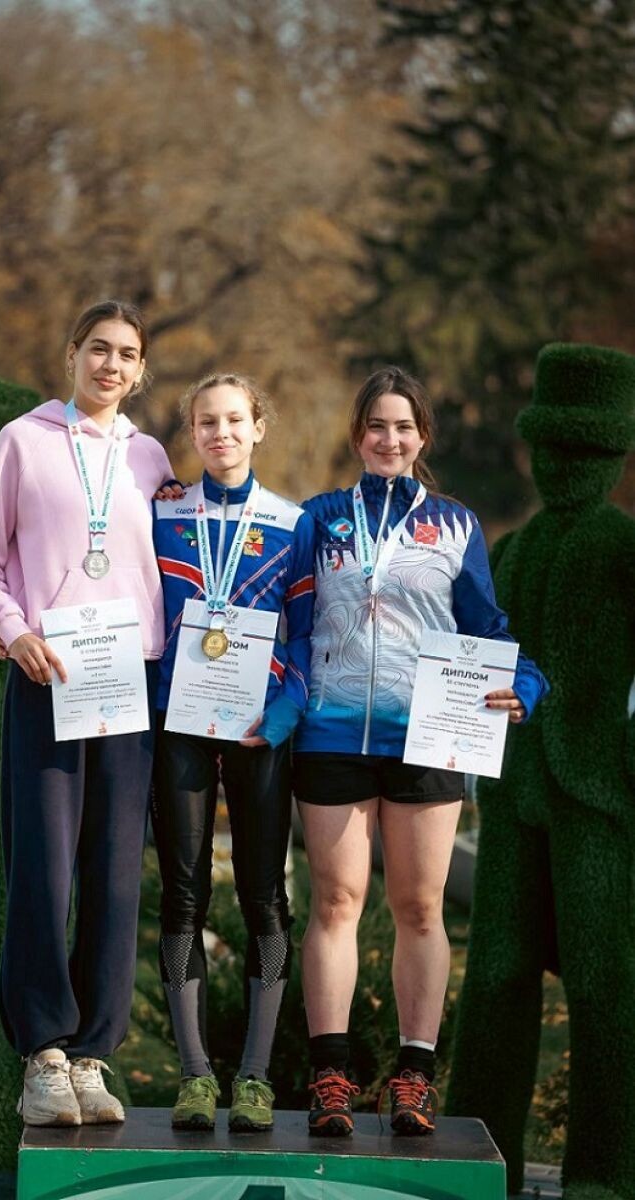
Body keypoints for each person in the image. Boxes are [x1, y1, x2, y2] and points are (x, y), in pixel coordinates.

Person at [293, 366, 549, 1138]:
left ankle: (414, 1077)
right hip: (333, 733)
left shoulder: (454, 525)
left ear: (422, 437)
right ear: (357, 436)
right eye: (376, 425)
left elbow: (486, 626)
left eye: (403, 426)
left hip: (429, 737)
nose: (389, 438)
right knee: (336, 903)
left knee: (419, 907)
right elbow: (285, 616)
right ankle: (331, 1077)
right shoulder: (320, 518)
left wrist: (525, 684)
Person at [0, 300, 172, 1127]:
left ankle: (92, 1055)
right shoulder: (22, 441)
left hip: (126, 684)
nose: (111, 365)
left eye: (127, 355)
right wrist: (13, 631)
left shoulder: (151, 458)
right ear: (71, 353)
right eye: (98, 349)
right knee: (43, 866)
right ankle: (43, 1054)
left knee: (116, 874)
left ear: (141, 371)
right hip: (47, 678)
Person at [152, 374, 315, 1133]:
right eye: (206, 421)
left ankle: (253, 1078)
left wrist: (282, 716)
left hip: (259, 725)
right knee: (183, 895)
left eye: (234, 420)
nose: (221, 433)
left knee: (263, 897)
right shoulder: (162, 513)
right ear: (191, 430)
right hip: (179, 722)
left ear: (258, 428)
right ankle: (194, 1077)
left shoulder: (292, 523)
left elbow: (306, 634)